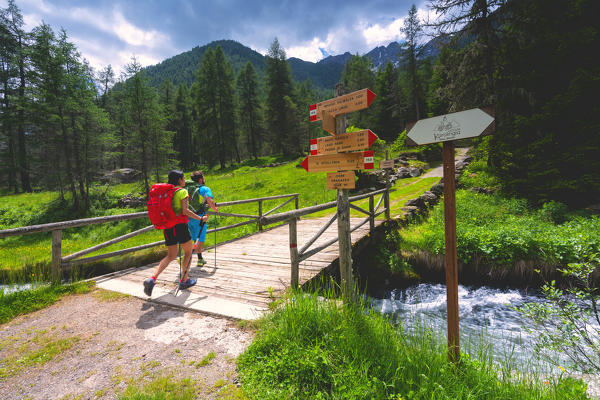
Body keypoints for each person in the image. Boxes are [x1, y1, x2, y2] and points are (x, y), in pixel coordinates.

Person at [143, 170, 206, 296]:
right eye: (183, 178)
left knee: (171, 256)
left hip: (168, 227)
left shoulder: (166, 192)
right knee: (188, 252)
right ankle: (184, 280)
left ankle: (152, 278)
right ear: (179, 180)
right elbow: (185, 211)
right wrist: (200, 218)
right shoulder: (181, 191)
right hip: (180, 226)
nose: (184, 180)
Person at [187, 171, 218, 267]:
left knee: (194, 239)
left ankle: (200, 259)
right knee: (200, 240)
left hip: (188, 217)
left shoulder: (188, 189)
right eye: (203, 178)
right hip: (199, 218)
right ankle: (186, 259)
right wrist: (215, 208)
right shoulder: (204, 188)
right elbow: (210, 200)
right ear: (201, 179)